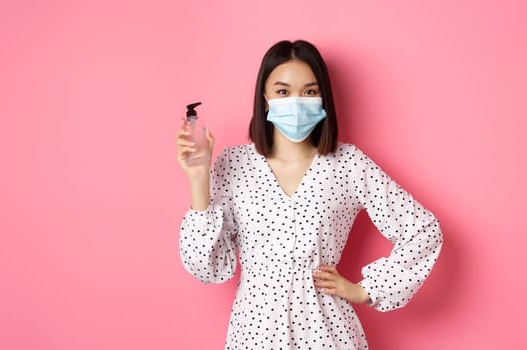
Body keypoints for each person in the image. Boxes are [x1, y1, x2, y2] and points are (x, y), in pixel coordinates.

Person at [174, 40, 443, 349]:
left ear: (323, 99)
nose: (297, 101)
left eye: (310, 91)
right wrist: (198, 180)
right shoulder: (234, 163)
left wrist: (367, 289)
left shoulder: (347, 163)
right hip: (254, 334)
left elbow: (423, 230)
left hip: (327, 332)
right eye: (283, 92)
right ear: (264, 98)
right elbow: (206, 267)